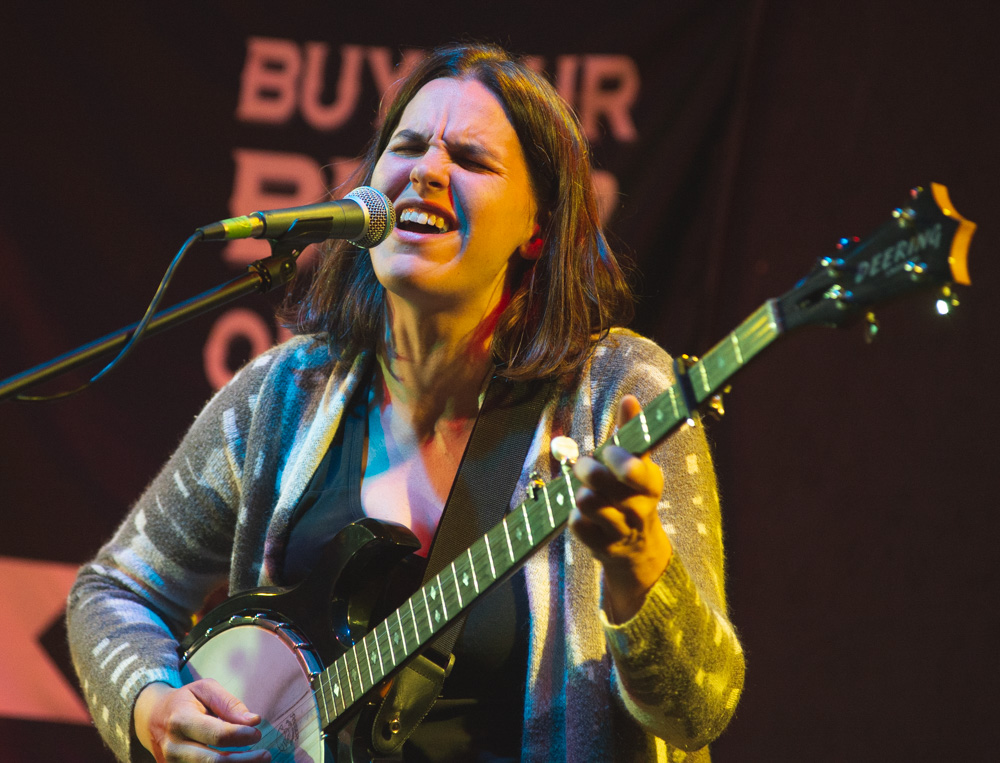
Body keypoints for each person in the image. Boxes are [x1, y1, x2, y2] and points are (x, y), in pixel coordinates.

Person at [67, 43, 744, 762]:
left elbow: (700, 707)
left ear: (538, 229)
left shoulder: (620, 394)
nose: (426, 169)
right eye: (410, 144)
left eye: (472, 159)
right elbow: (111, 592)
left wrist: (641, 567)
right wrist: (151, 704)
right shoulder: (285, 394)